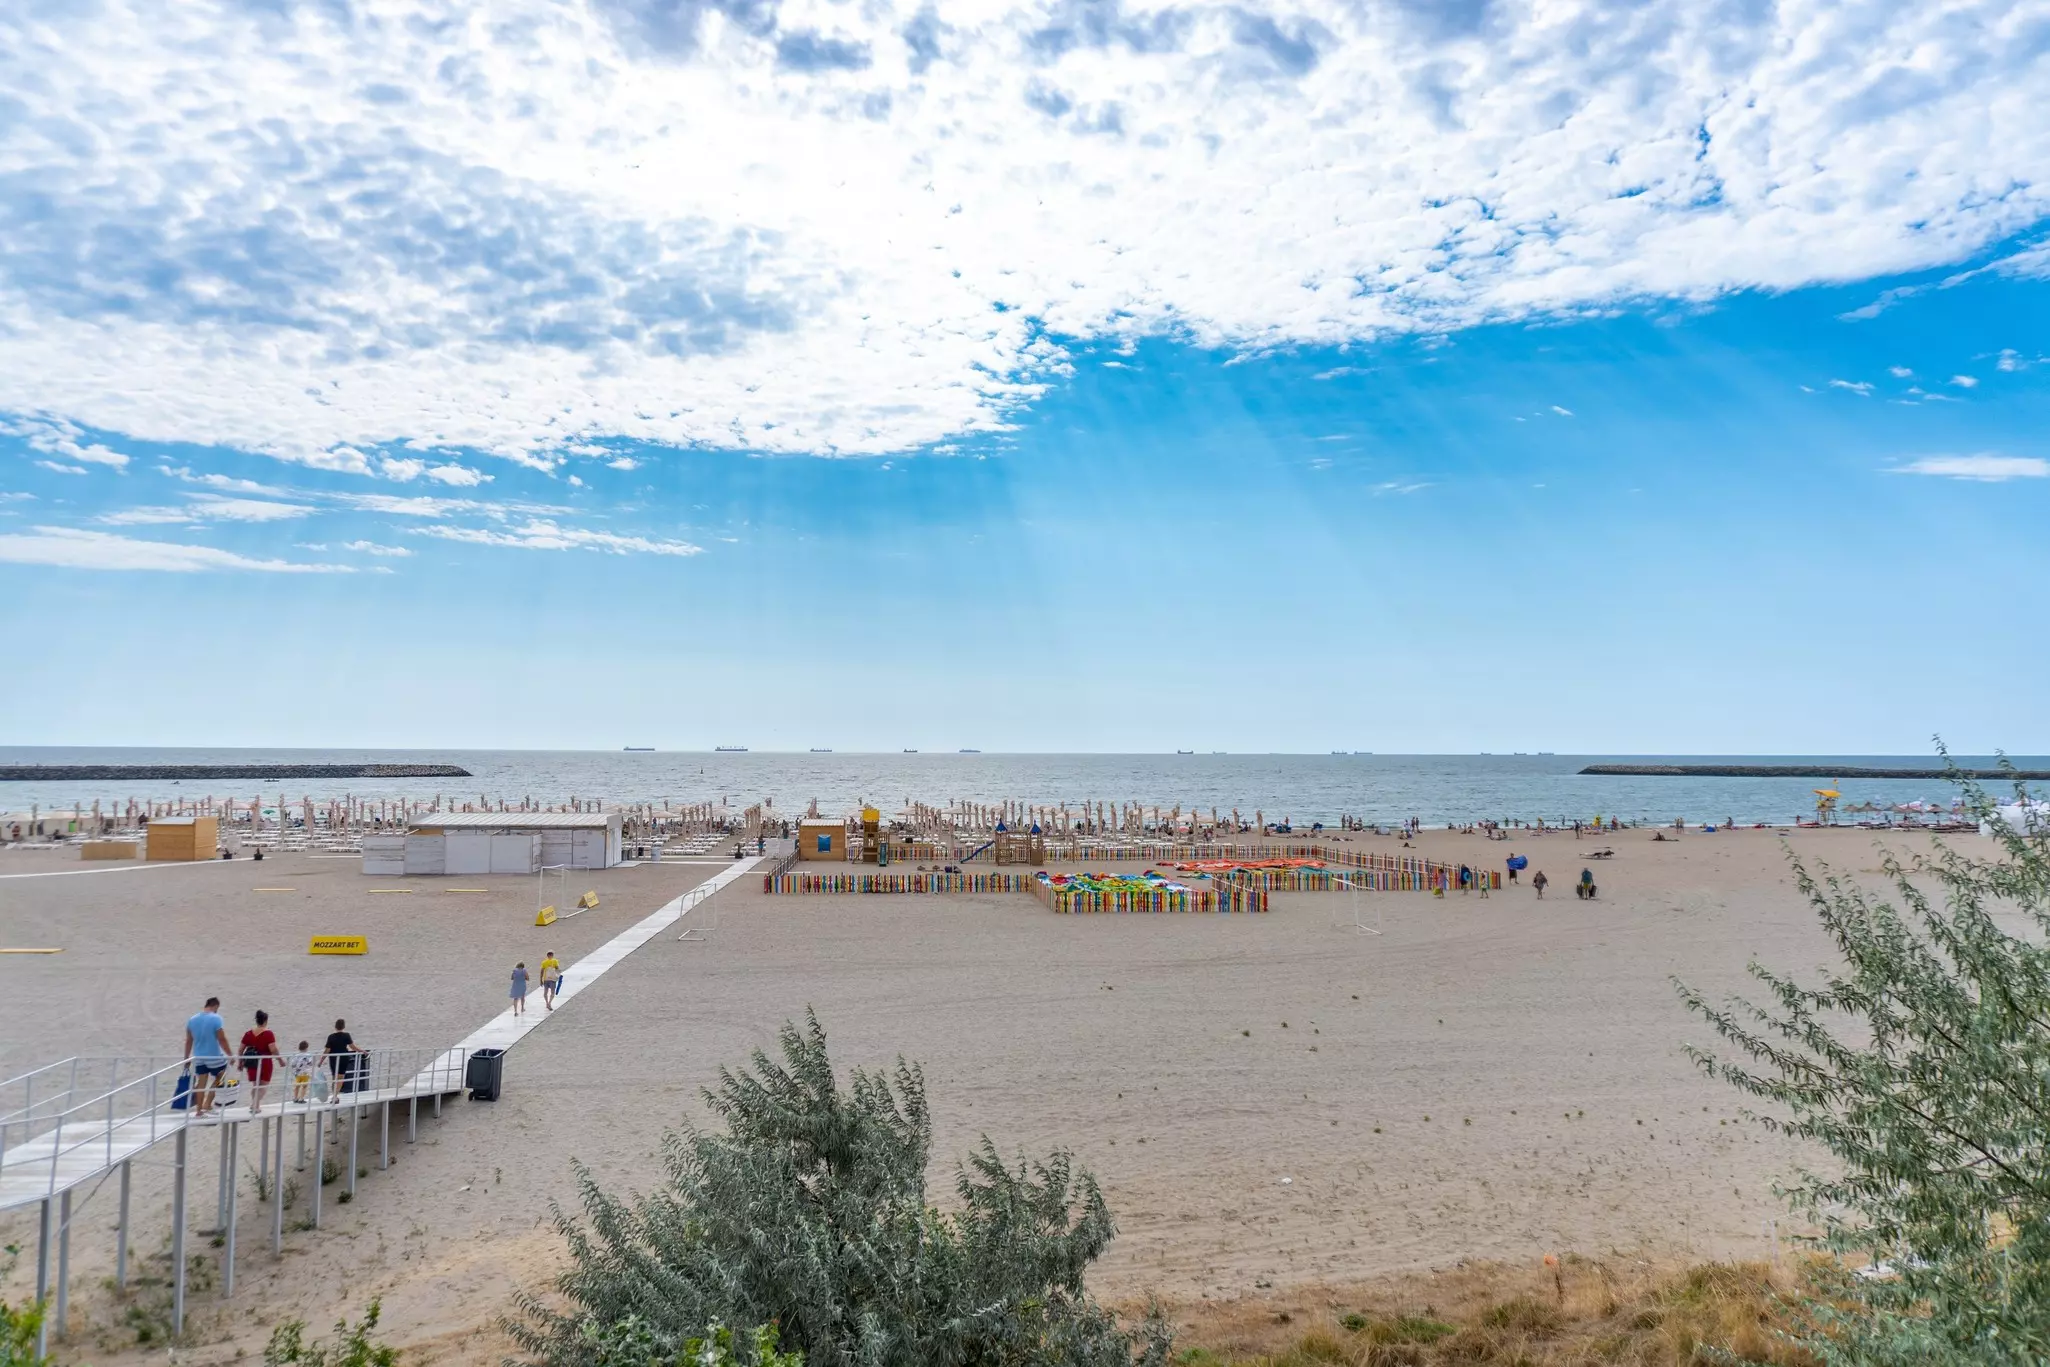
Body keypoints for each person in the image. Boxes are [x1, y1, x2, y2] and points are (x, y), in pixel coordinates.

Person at [184, 996, 232, 1117]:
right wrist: (230, 1055)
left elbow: (189, 1041)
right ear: (215, 1006)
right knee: (221, 1076)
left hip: (199, 1057)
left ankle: (199, 1111)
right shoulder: (216, 1018)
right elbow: (222, 1038)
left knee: (201, 1083)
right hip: (214, 1056)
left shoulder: (192, 1020)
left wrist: (186, 1058)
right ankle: (208, 1104)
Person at [239, 1009, 279, 1114]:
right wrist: (280, 1060)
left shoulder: (248, 1034)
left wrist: (240, 1062)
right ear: (265, 1021)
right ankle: (255, 1105)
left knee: (256, 1085)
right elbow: (273, 1049)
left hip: (252, 1062)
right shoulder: (268, 1034)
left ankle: (254, 1104)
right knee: (263, 1085)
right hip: (265, 1062)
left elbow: (240, 1049)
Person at [323, 1019, 363, 1102]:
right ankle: (335, 1096)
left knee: (334, 1078)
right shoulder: (346, 1035)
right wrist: (362, 1051)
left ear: (335, 1026)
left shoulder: (331, 1037)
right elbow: (352, 1047)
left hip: (333, 1059)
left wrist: (321, 1061)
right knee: (340, 1078)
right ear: (344, 1026)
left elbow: (327, 1050)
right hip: (343, 1058)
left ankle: (334, 1096)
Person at [289, 1040, 317, 1105]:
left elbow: (293, 1064)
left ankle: (295, 1098)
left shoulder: (296, 1055)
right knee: (304, 1086)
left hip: (297, 1073)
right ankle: (301, 1098)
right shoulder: (309, 1055)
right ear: (307, 1048)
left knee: (297, 1086)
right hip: (305, 1073)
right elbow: (311, 1063)